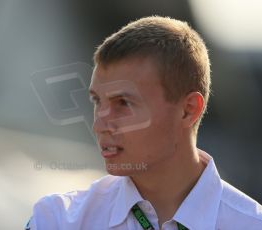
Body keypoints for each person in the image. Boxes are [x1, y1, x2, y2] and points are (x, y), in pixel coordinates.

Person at [25, 16, 262, 230]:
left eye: (123, 103)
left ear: (188, 110)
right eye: (97, 101)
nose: (99, 125)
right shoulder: (55, 220)